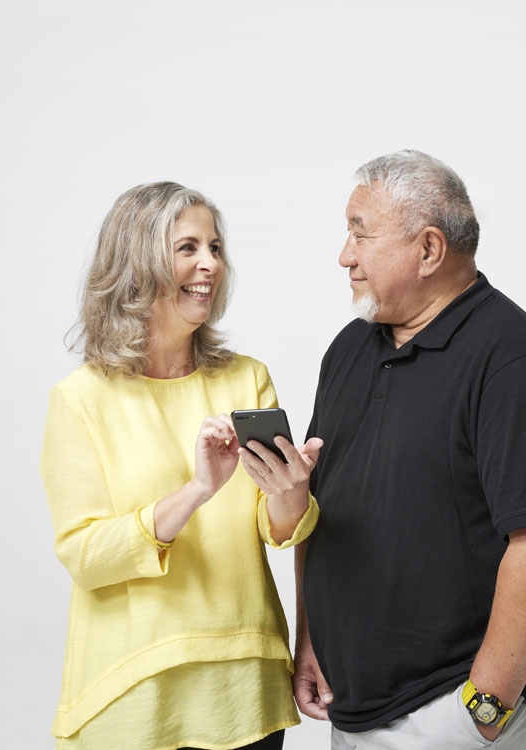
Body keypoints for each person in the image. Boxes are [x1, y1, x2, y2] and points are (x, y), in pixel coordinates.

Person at [293, 151, 526, 750]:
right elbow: (321, 513)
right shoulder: (349, 348)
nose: (344, 256)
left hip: (447, 714)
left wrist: (482, 710)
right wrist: (314, 642)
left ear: (428, 250)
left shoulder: (515, 364)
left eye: (360, 234)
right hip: (352, 706)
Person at [40, 182, 321, 750]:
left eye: (215, 248)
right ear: (137, 263)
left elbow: (281, 528)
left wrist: (294, 491)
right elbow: (86, 556)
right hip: (135, 687)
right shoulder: (82, 398)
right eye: (188, 247)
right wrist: (197, 489)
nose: (210, 265)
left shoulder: (247, 379)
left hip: (245, 679)